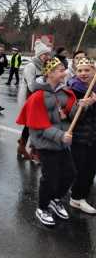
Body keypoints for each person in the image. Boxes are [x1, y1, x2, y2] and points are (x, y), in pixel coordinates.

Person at [16, 57, 84, 226]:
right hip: (46, 144)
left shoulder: (63, 91)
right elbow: (38, 127)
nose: (65, 72)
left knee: (70, 174)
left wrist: (82, 105)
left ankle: (55, 199)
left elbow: (70, 113)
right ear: (51, 73)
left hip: (62, 143)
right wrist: (60, 136)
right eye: (61, 70)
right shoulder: (37, 96)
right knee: (50, 178)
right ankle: (42, 207)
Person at [67, 58, 96, 214]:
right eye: (80, 70)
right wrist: (82, 106)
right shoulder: (72, 89)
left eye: (87, 70)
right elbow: (70, 116)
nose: (83, 73)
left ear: (94, 71)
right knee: (79, 168)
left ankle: (80, 196)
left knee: (91, 169)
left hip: (94, 137)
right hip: (79, 138)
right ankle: (76, 197)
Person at [16, 40, 52, 161]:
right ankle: (24, 147)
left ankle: (31, 147)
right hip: (29, 98)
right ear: (38, 55)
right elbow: (32, 86)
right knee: (30, 124)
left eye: (48, 54)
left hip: (41, 98)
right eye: (44, 55)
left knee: (36, 124)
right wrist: (47, 83)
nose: (47, 57)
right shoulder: (30, 66)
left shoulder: (45, 66)